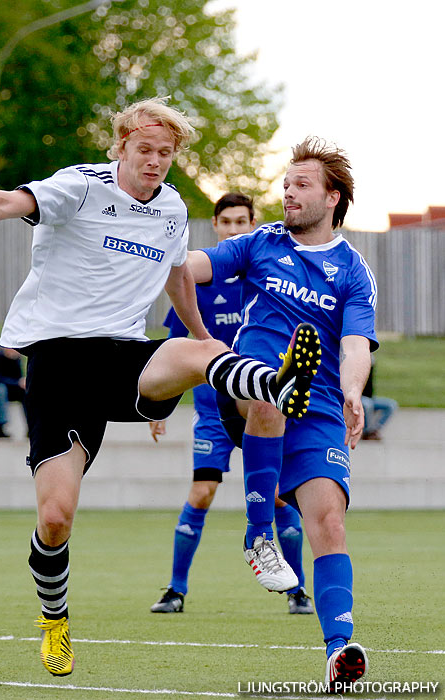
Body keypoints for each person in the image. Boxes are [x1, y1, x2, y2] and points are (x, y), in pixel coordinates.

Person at [0, 97, 318, 678]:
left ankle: (271, 384)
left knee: (207, 351)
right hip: (58, 367)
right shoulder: (79, 188)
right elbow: (5, 202)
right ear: (118, 147)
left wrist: (201, 344)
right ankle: (55, 621)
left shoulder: (169, 207)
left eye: (166, 153)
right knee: (56, 518)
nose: (156, 162)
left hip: (123, 359)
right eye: (145, 149)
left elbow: (176, 279)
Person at [189, 136, 377, 689]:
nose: (288, 195)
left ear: (333, 197)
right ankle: (258, 534)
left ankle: (338, 652)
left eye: (301, 186)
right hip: (247, 386)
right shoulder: (259, 242)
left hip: (317, 406)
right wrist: (166, 258)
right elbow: (196, 264)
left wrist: (352, 392)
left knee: (330, 524)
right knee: (270, 390)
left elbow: (356, 345)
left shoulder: (352, 271)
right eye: (285, 185)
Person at [149, 193, 313, 616]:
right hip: (210, 413)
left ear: (254, 223)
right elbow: (176, 347)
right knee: (202, 493)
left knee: (277, 495)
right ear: (216, 226)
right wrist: (159, 403)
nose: (235, 228)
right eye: (227, 221)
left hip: (262, 406)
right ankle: (175, 588)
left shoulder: (269, 279)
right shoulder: (198, 281)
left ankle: (296, 588)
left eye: (243, 221)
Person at [361, 358, 397, 440]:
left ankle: (374, 430)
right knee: (367, 404)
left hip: (370, 398)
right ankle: (366, 432)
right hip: (357, 398)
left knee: (391, 405)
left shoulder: (371, 364)